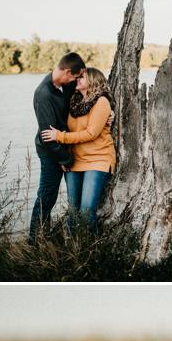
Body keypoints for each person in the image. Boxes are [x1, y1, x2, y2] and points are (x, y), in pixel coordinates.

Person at [40, 65, 117, 228]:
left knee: (86, 213)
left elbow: (91, 134)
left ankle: (91, 251)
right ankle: (74, 251)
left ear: (93, 80)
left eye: (81, 77)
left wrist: (59, 137)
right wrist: (63, 156)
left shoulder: (102, 102)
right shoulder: (73, 101)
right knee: (73, 213)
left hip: (98, 159)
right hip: (75, 160)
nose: (77, 80)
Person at [28, 50, 85, 241]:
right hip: (51, 152)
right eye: (75, 77)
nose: (75, 82)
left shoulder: (63, 86)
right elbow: (47, 137)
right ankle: (35, 240)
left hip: (64, 146)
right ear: (68, 72)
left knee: (68, 197)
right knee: (47, 195)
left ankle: (51, 235)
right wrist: (65, 159)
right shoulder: (43, 94)